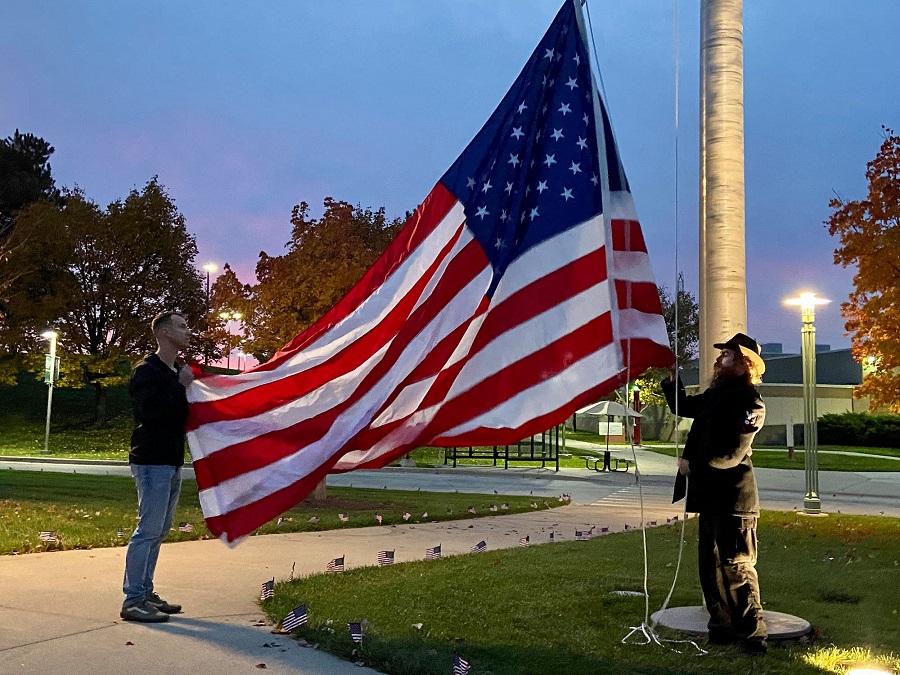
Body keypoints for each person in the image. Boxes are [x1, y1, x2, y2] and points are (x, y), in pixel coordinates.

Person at [661, 332, 768, 654]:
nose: (719, 360)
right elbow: (686, 406)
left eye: (727, 356)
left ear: (744, 364)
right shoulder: (718, 395)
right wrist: (671, 379)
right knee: (710, 568)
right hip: (711, 498)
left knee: (736, 567)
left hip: (734, 500)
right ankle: (720, 629)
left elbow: (731, 455)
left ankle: (752, 638)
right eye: (721, 355)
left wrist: (694, 463)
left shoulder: (749, 401)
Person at [120, 311, 194, 623]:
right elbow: (150, 412)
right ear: (163, 332)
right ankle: (133, 600)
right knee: (147, 531)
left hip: (171, 459)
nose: (187, 330)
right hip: (151, 461)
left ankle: (146, 591)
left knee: (159, 530)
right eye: (180, 325)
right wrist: (180, 386)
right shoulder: (146, 371)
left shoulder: (177, 369)